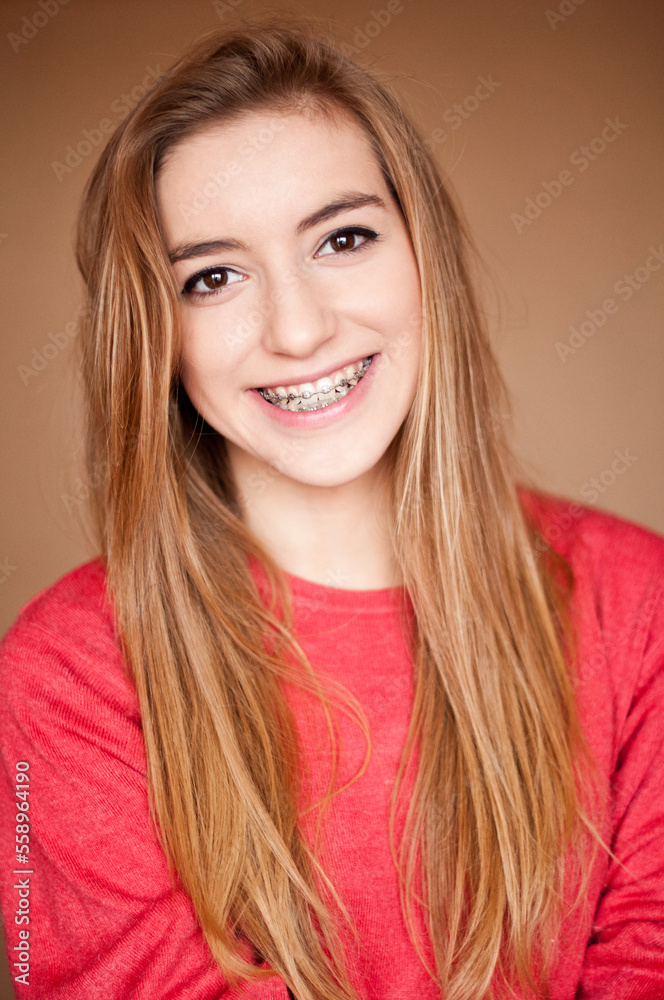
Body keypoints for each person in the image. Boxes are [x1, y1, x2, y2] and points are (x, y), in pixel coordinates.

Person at [1, 19, 663, 1000]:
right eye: (212, 277)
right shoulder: (63, 675)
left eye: (342, 238)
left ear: (424, 256)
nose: (299, 328)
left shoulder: (638, 601)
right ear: (155, 336)